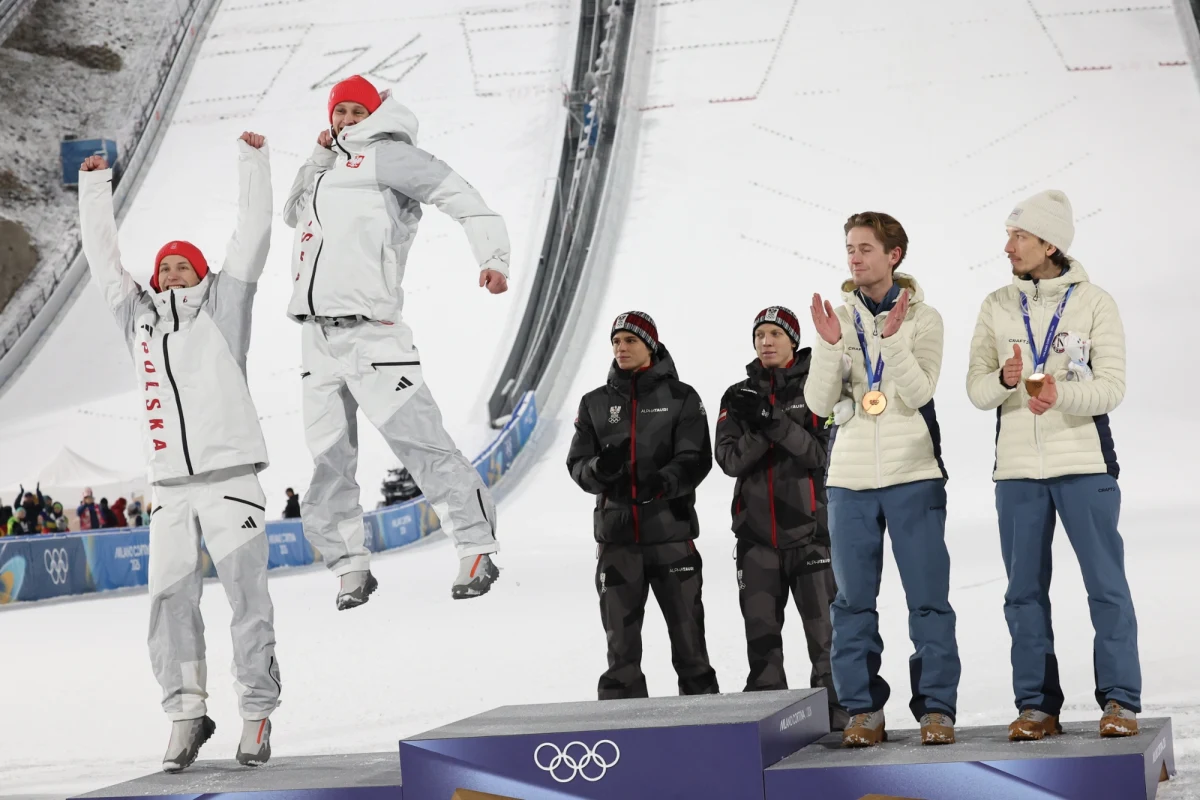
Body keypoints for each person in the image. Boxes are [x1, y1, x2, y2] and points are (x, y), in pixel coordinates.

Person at [78, 134, 282, 772]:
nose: (171, 273)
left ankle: (256, 714)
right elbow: (104, 263)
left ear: (202, 274)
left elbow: (252, 237)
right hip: (169, 487)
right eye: (164, 265)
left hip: (230, 480)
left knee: (247, 598)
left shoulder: (224, 309)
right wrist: (94, 191)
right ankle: (185, 713)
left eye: (183, 266)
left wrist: (252, 161)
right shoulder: (136, 319)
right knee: (169, 603)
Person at [283, 74, 510, 607]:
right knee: (327, 461)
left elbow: (463, 197)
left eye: (355, 112)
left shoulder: (390, 156)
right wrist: (315, 160)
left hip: (373, 333)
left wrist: (492, 258)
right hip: (316, 336)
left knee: (422, 445)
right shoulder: (326, 166)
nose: (345, 121)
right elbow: (292, 213)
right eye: (339, 112)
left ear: (375, 114)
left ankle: (476, 546)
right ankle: (349, 566)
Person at [966, 190, 1140, 740]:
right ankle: (1037, 707)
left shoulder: (1095, 302)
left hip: (1084, 465)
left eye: (1019, 236)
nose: (1007, 246)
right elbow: (975, 389)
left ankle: (1119, 702)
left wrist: (1058, 397)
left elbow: (1111, 388)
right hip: (1016, 472)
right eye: (1009, 235)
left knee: (1105, 585)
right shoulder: (995, 304)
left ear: (1050, 243)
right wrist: (1004, 382)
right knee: (1022, 593)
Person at [805, 212, 960, 747]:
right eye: (850, 248)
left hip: (912, 472)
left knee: (927, 598)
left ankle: (936, 710)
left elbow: (919, 394)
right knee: (851, 602)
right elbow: (819, 404)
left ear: (894, 255)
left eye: (866, 248)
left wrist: (892, 341)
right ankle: (863, 710)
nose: (854, 257)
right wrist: (827, 347)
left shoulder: (926, 318)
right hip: (848, 479)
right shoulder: (839, 319)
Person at [566, 311, 719, 699]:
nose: (621, 348)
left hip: (671, 536)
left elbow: (696, 458)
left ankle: (708, 729)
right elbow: (577, 465)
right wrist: (602, 468)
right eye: (616, 341)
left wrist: (661, 483)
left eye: (630, 340)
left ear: (649, 345)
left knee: (690, 645)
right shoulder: (595, 403)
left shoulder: (682, 398)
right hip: (617, 544)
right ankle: (623, 736)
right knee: (620, 652)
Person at [715, 306, 846, 729]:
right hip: (755, 540)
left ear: (793, 340)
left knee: (825, 637)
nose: (766, 342)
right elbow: (730, 461)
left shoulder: (819, 386)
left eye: (775, 334)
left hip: (810, 534)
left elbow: (820, 454)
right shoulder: (736, 395)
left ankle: (837, 711)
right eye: (759, 335)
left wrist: (772, 421)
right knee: (762, 639)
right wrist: (758, 424)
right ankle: (768, 719)